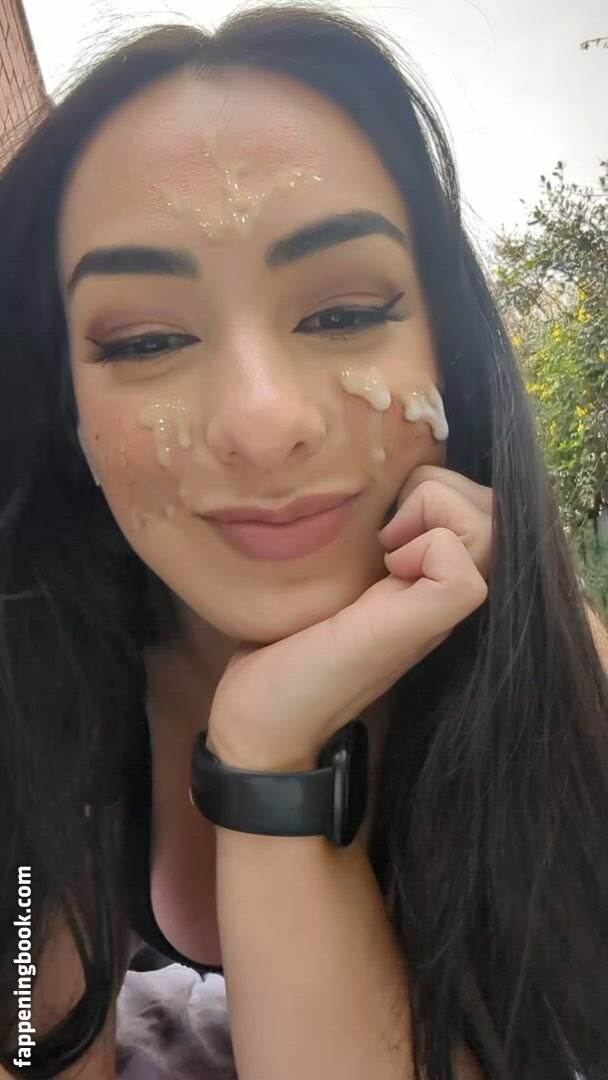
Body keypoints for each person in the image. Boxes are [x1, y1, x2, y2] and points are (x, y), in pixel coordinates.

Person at [1, 4, 607, 1078]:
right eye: (146, 338)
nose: (263, 422)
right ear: (66, 411)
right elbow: (29, 1040)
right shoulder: (36, 670)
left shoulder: (570, 690)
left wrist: (268, 755)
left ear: (446, 343)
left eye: (341, 315)